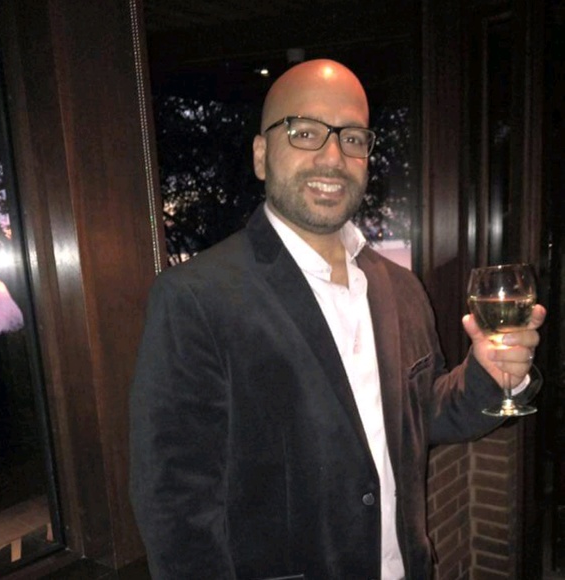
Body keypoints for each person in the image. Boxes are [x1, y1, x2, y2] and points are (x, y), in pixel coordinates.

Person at [130, 59, 545, 580]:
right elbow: (176, 507)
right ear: (261, 156)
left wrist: (490, 375)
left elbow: (425, 416)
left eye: (352, 138)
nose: (332, 157)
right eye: (305, 132)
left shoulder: (401, 288)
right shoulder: (195, 298)